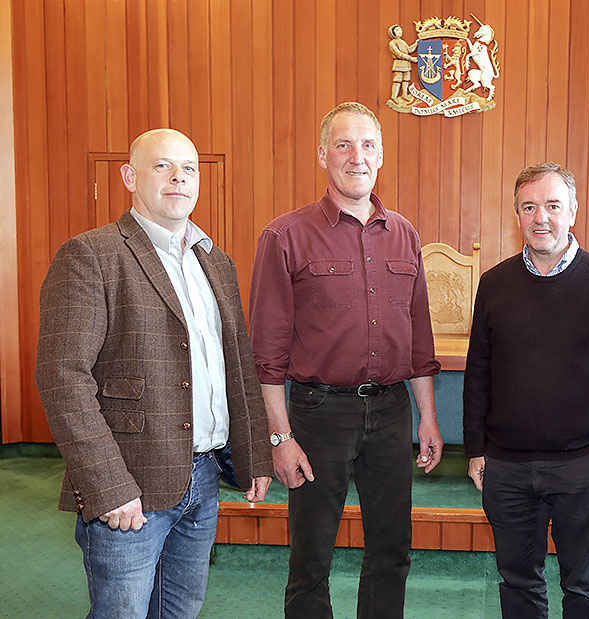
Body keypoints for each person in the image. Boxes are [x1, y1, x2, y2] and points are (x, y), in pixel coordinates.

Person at [35, 128, 273, 617]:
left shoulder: (217, 262)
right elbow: (64, 378)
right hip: (130, 487)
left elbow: (236, 368)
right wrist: (108, 486)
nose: (178, 178)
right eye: (162, 166)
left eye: (188, 168)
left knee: (181, 611)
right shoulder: (91, 256)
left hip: (203, 478)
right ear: (129, 176)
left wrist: (254, 458)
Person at [249, 101, 443, 618]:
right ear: (322, 155)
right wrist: (279, 436)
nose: (357, 156)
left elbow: (419, 341)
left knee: (391, 552)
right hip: (317, 417)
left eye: (368, 144)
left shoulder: (405, 235)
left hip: (391, 413)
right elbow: (266, 354)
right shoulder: (284, 236)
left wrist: (427, 416)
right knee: (311, 559)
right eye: (343, 144)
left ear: (381, 155)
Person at [463, 163, 589, 618]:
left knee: (583, 588)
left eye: (552, 206)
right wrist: (475, 450)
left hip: (585, 464)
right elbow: (479, 373)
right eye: (529, 207)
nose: (540, 217)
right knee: (518, 583)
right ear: (517, 215)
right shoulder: (494, 284)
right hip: (506, 467)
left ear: (572, 212)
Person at [388, 25, 417, 103]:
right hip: (399, 64)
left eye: (400, 30)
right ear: (393, 32)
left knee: (406, 80)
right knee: (397, 80)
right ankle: (394, 96)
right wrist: (411, 58)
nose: (400, 32)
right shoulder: (392, 43)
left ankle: (404, 94)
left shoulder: (403, 42)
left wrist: (416, 44)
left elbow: (409, 50)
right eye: (397, 30)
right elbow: (399, 54)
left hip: (406, 64)